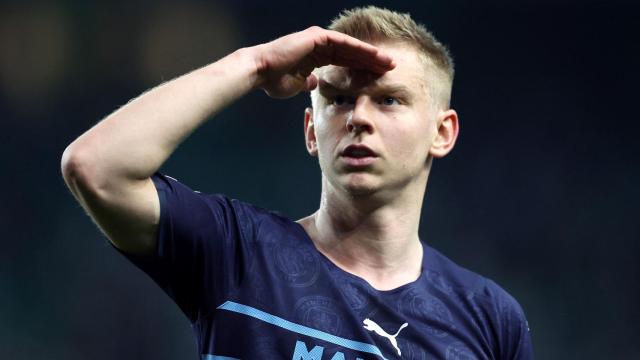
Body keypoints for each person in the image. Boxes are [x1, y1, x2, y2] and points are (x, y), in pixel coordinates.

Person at [61, 6, 534, 359]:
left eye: (389, 100)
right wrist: (255, 64)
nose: (359, 119)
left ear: (442, 132)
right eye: (340, 99)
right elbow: (96, 168)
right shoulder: (238, 252)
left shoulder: (489, 319)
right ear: (312, 130)